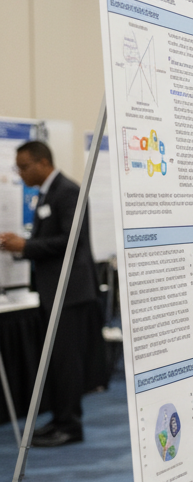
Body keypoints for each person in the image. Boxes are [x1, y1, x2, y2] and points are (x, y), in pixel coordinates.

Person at [0, 141, 102, 448]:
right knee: (56, 360)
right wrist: (23, 246)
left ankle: (70, 426)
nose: (20, 173)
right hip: (54, 291)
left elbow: (70, 241)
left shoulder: (67, 191)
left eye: (24, 167)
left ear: (43, 162)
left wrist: (25, 246)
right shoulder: (48, 192)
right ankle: (60, 418)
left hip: (70, 293)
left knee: (67, 361)